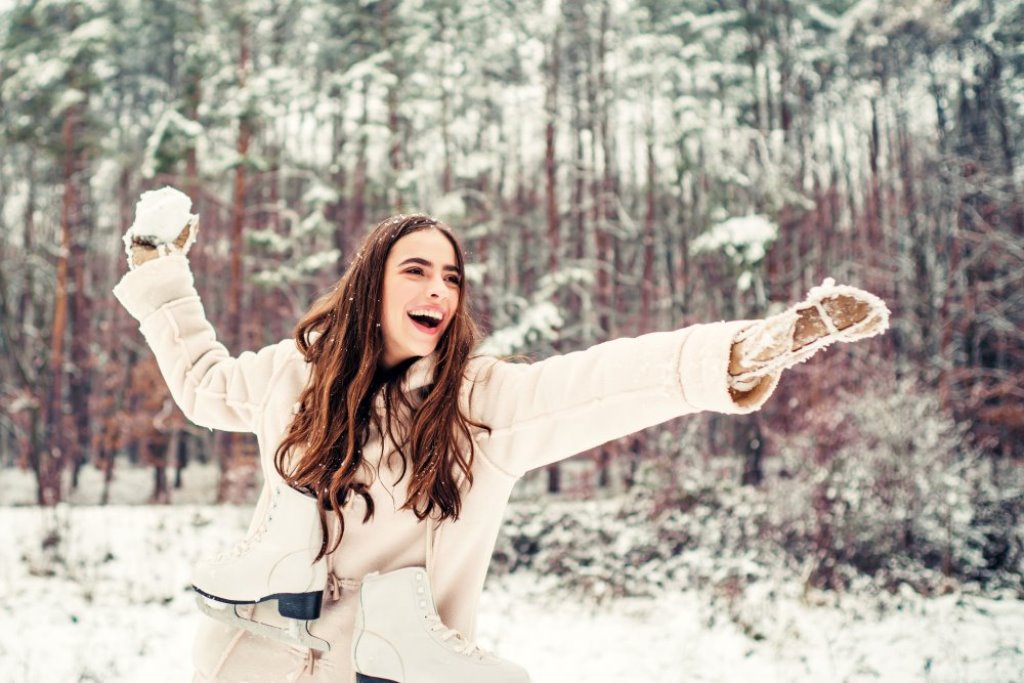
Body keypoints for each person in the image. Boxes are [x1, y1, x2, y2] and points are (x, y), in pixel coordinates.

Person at [113, 199, 889, 683]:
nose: (439, 291)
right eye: (416, 270)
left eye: (452, 276)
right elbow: (204, 382)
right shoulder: (295, 375)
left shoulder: (481, 404)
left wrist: (740, 352)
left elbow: (604, 382)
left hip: (391, 673)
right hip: (245, 661)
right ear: (368, 285)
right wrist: (161, 275)